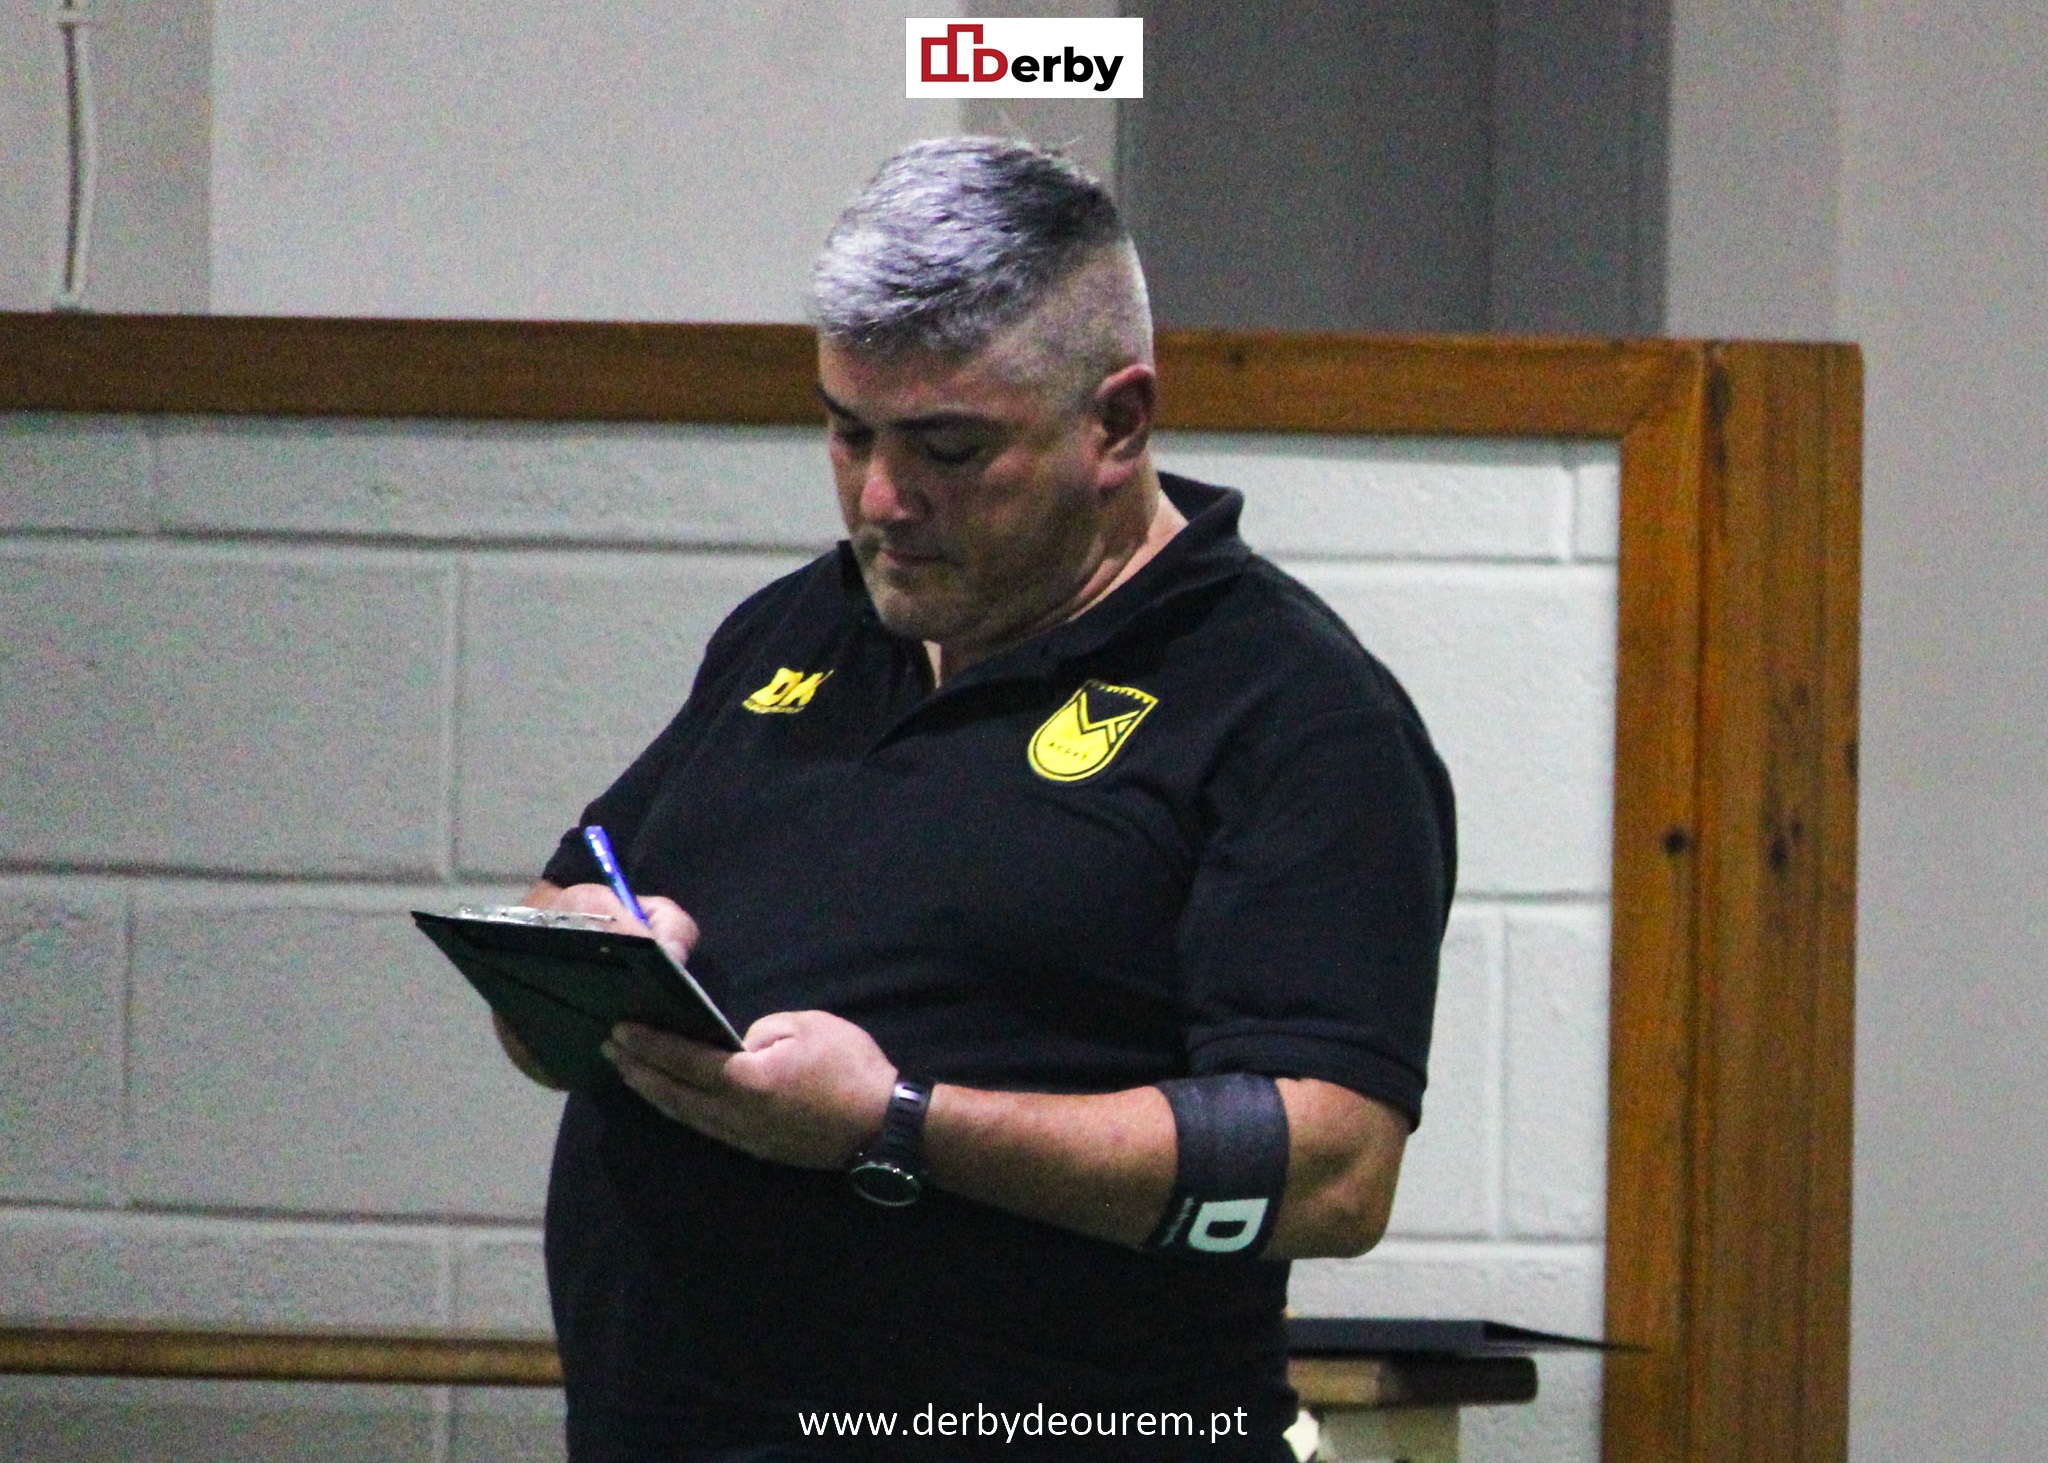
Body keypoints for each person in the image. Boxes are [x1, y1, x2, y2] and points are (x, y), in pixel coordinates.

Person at [502, 137, 1455, 1462]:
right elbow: (566, 921)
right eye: (849, 432)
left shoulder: (1290, 707)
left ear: (1117, 425)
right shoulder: (798, 628)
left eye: (948, 447)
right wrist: (577, 955)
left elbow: (1333, 1173)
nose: (883, 499)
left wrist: (894, 1125)